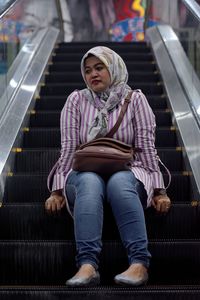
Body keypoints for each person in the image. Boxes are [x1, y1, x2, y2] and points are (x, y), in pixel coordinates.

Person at [45, 46, 171, 287]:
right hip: (83, 172)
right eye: (88, 70)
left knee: (120, 182)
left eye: (100, 67)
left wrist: (159, 189)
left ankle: (138, 264)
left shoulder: (135, 100)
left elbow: (146, 148)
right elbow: (69, 148)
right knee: (90, 181)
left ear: (113, 68)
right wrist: (57, 190)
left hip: (129, 169)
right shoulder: (76, 100)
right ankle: (87, 265)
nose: (93, 74)